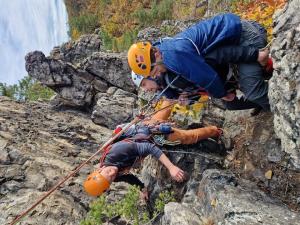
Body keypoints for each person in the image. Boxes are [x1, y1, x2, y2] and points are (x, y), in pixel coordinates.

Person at [128, 13, 271, 111]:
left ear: (156, 54)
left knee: (253, 92)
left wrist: (221, 94)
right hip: (235, 40)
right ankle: (264, 100)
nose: (155, 75)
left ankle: (280, 108)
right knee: (238, 98)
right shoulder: (164, 52)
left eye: (152, 72)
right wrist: (181, 98)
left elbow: (207, 78)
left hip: (245, 36)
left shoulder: (174, 56)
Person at [84, 100, 223, 198]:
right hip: (144, 129)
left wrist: (171, 167)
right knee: (166, 106)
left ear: (99, 170)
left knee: (188, 137)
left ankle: (216, 131)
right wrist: (142, 189)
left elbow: (149, 147)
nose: (112, 173)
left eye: (108, 172)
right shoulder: (111, 177)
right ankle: (174, 88)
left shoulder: (116, 153)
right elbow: (129, 178)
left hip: (152, 134)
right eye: (111, 178)